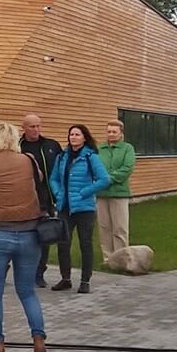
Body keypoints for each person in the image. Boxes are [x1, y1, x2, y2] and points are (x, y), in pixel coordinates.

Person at [0, 120, 48, 352]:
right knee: (27, 291)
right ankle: (38, 340)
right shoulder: (28, 160)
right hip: (29, 233)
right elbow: (39, 178)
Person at [48, 123, 110, 293]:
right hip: (65, 207)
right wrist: (58, 193)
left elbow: (104, 179)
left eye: (77, 134)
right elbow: (53, 179)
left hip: (84, 208)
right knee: (63, 244)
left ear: (84, 138)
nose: (73, 137)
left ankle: (85, 281)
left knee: (85, 244)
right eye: (71, 134)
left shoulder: (90, 157)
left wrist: (84, 192)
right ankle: (65, 278)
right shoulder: (62, 157)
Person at [20, 114, 65, 285]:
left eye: (38, 126)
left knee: (44, 235)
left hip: (46, 198)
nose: (36, 130)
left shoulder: (51, 145)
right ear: (24, 128)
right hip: (23, 198)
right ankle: (23, 270)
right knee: (24, 236)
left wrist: (58, 194)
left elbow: (61, 170)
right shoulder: (17, 147)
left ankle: (39, 272)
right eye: (32, 126)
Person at [96, 120, 137, 266]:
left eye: (114, 132)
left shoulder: (127, 149)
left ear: (121, 133)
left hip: (119, 193)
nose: (111, 134)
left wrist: (108, 179)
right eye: (109, 131)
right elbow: (94, 167)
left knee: (120, 228)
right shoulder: (100, 149)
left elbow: (127, 168)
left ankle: (121, 259)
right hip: (101, 194)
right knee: (104, 227)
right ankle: (108, 259)